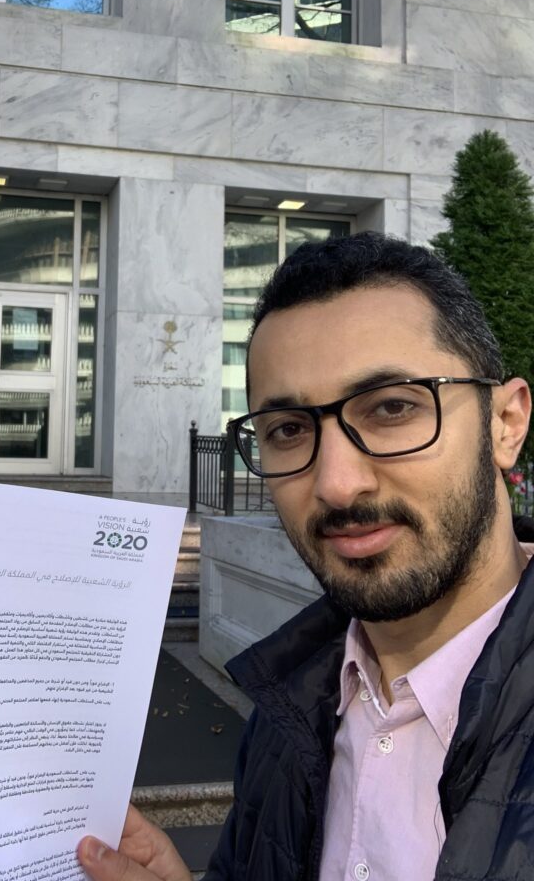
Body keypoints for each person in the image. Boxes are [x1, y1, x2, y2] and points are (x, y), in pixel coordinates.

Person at [77, 231, 534, 881]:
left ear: (505, 423)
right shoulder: (287, 709)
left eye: (392, 407)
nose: (337, 485)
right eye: (288, 430)